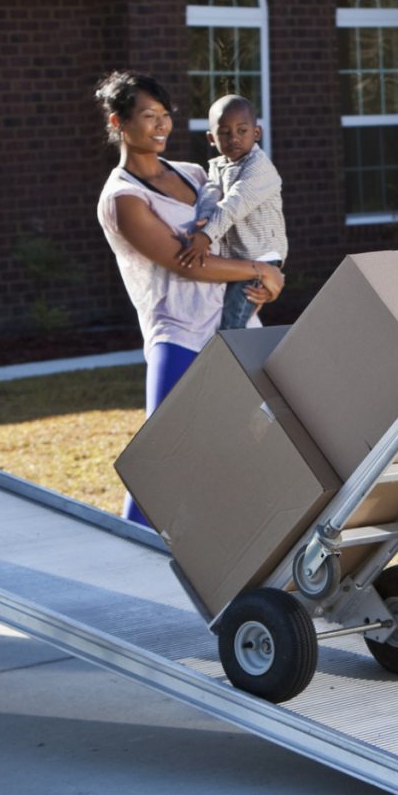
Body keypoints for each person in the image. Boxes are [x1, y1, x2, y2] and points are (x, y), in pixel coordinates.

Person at [94, 71, 284, 525]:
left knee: (260, 445)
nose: (160, 127)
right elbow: (186, 262)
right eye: (148, 117)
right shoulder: (122, 199)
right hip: (177, 335)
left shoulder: (197, 173)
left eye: (165, 117)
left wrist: (269, 277)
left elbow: (238, 235)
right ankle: (132, 559)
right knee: (159, 459)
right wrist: (261, 271)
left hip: (234, 324)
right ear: (119, 122)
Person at [176, 94, 287, 330]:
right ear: (211, 138)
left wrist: (206, 235)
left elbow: (234, 204)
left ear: (256, 133)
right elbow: (211, 191)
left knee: (232, 323)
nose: (233, 138)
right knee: (224, 313)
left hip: (260, 255)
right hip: (240, 257)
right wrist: (204, 217)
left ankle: (227, 361)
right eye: (225, 132)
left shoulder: (259, 168)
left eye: (242, 130)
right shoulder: (219, 165)